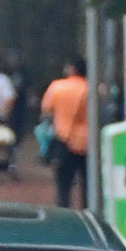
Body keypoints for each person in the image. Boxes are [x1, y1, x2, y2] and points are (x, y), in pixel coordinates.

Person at [40, 58, 91, 209]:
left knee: (64, 184)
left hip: (64, 139)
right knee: (88, 182)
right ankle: (87, 211)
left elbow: (46, 109)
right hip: (87, 141)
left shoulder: (57, 87)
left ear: (72, 69)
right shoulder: (90, 88)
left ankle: (64, 211)